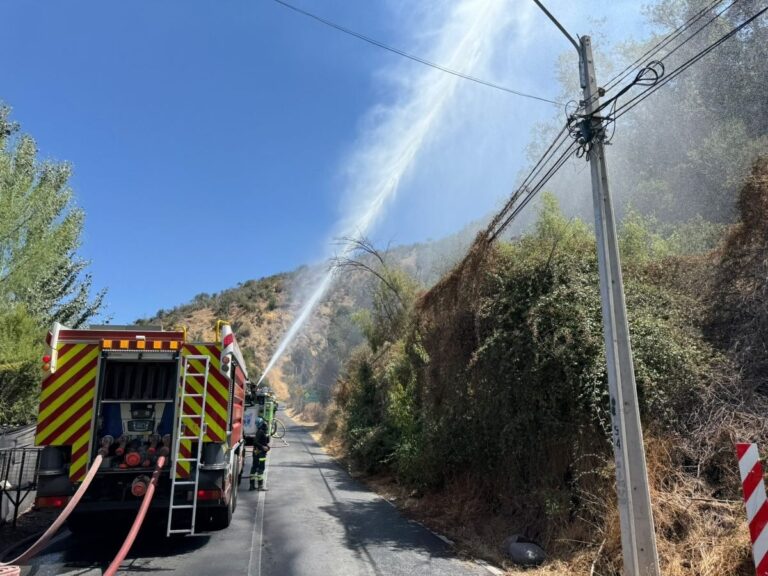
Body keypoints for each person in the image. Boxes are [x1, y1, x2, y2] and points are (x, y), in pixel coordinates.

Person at [249, 417, 270, 491]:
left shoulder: (260, 431)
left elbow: (262, 442)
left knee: (254, 468)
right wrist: (263, 447)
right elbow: (255, 442)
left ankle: (251, 486)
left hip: (257, 452)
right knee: (261, 468)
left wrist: (267, 446)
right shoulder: (261, 432)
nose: (265, 424)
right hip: (260, 453)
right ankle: (260, 486)